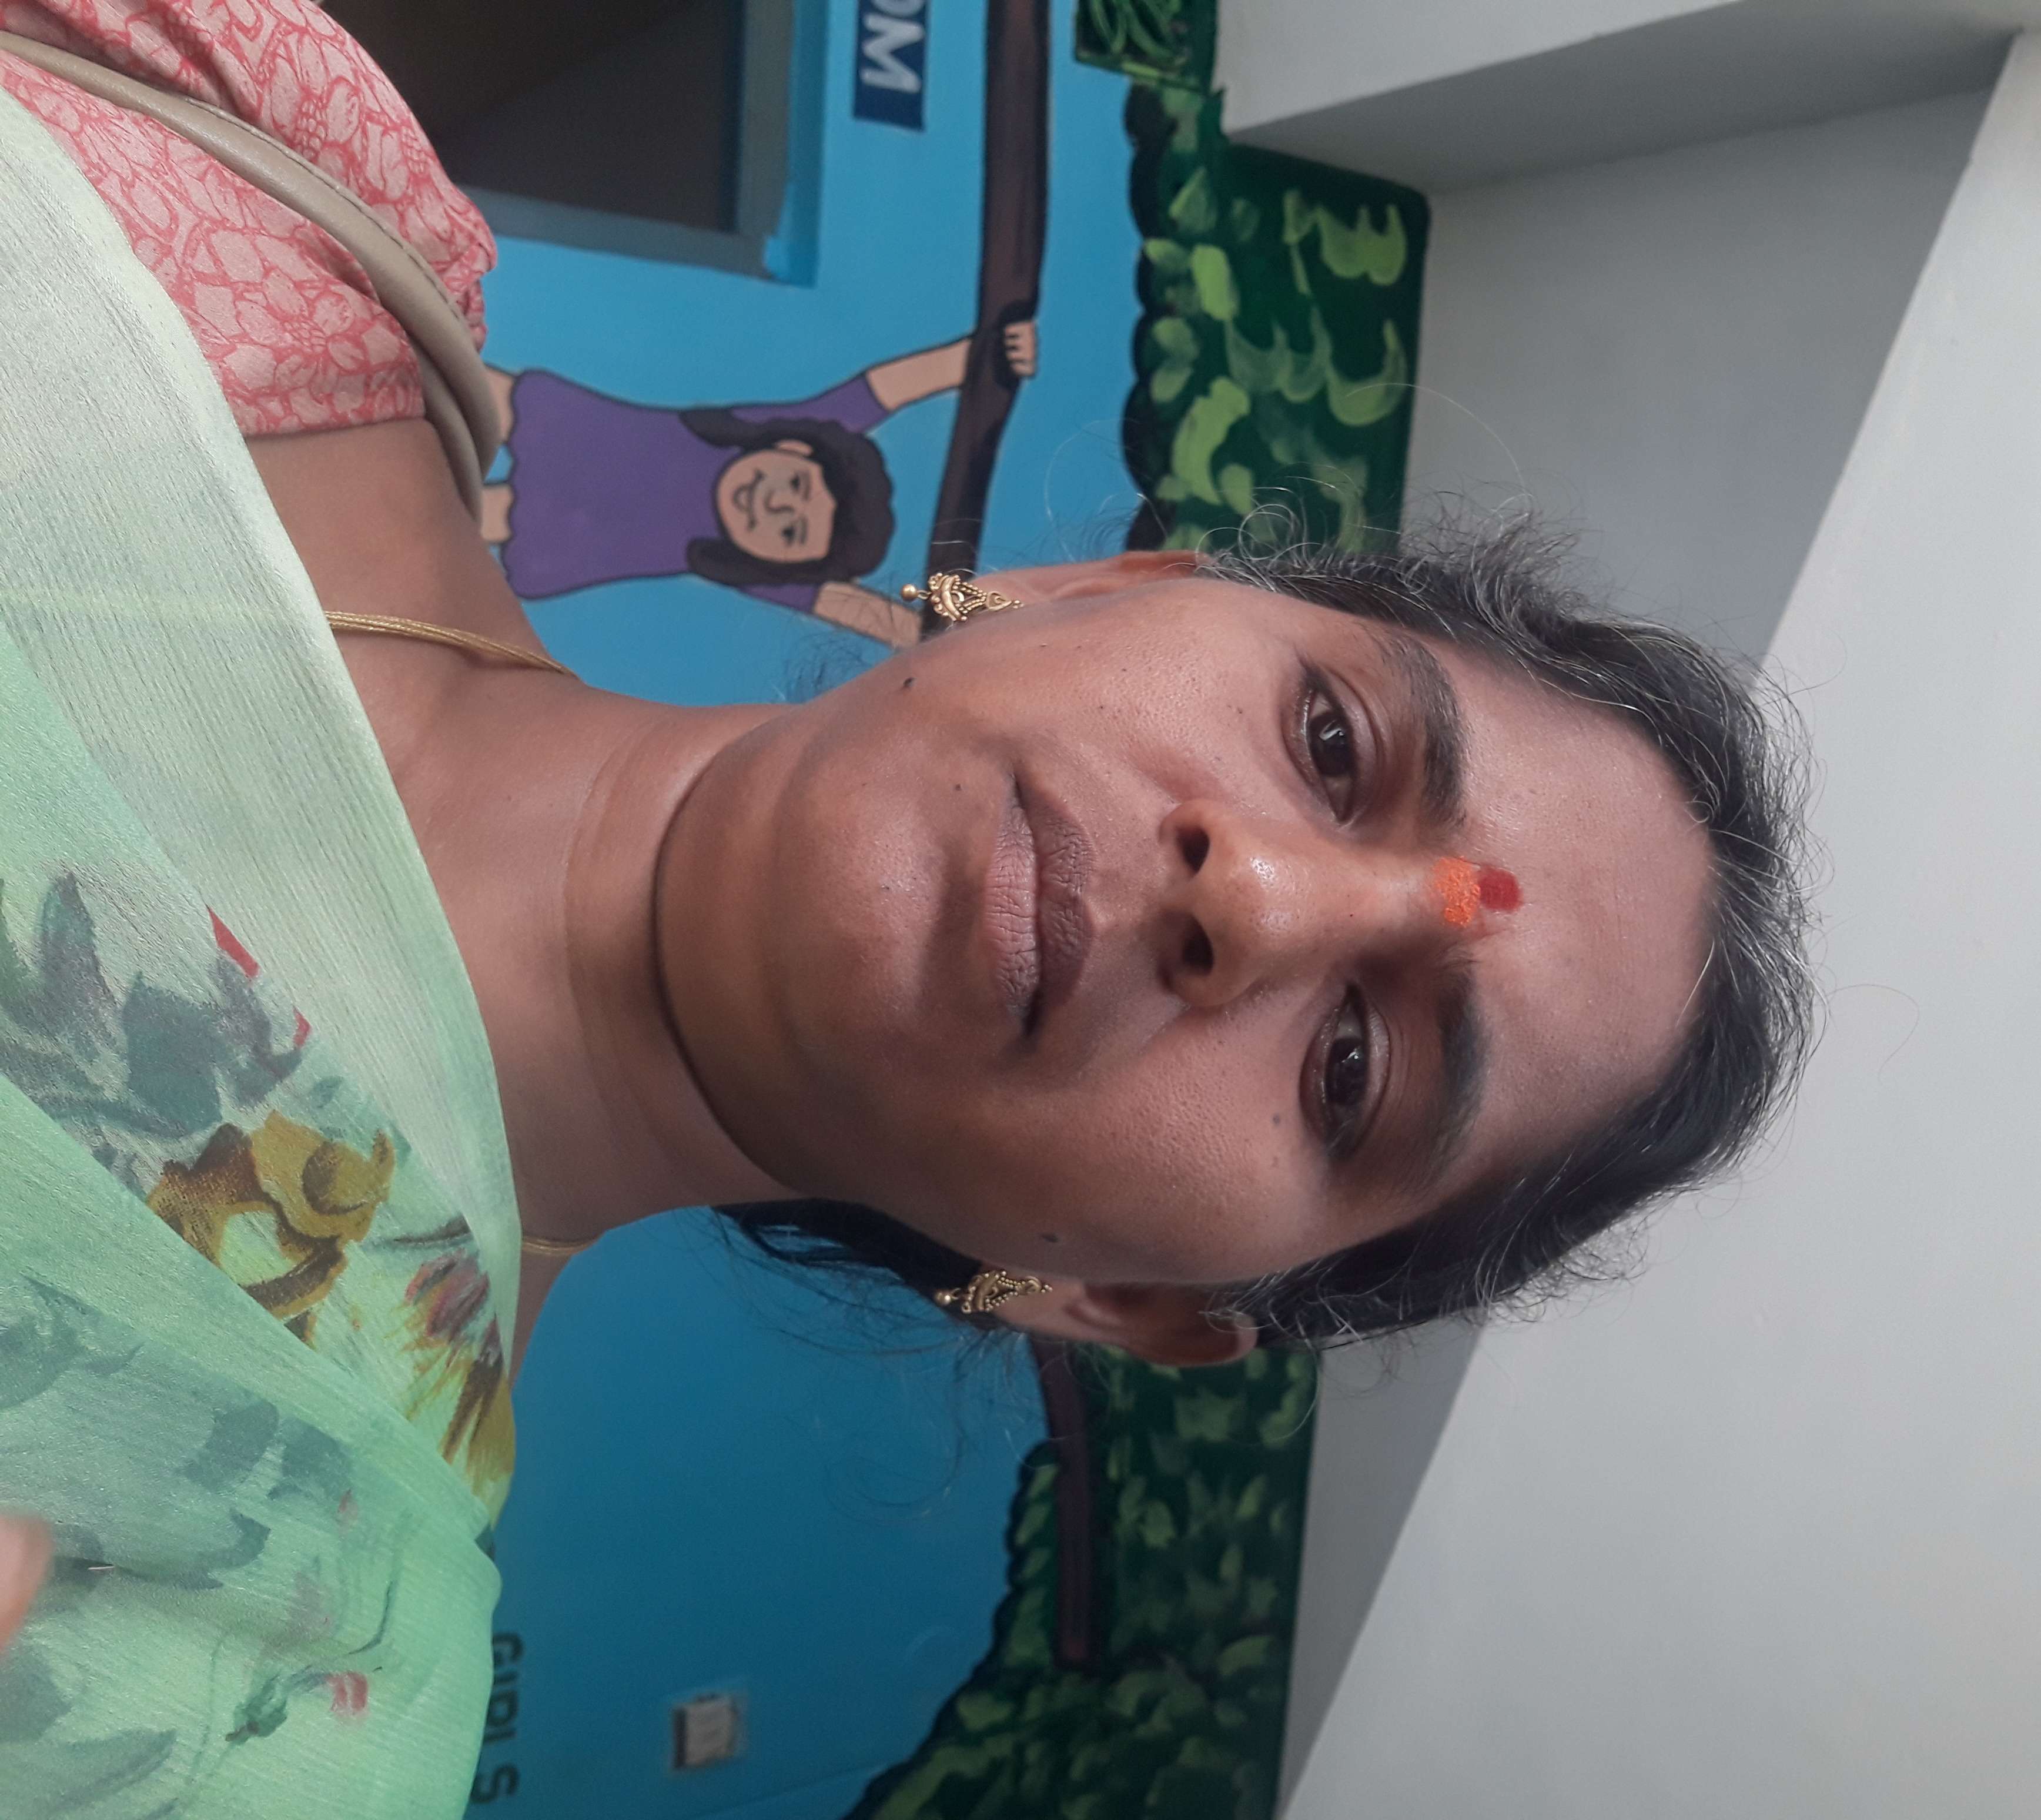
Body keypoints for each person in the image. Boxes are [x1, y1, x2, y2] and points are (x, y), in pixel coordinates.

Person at [0, 0, 1815, 1804]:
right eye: (1332, 742)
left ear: (1116, 1302)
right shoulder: (277, 170)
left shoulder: (263, 1678)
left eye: (1354, 1070)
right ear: (1085, 590)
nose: (1254, 897)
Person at [480, 322, 1042, 652]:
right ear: (794, 450)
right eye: (795, 485)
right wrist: (980, 357)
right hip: (582, 433)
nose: (774, 505)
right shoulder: (789, 428)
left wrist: (957, 641)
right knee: (482, 395)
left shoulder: (760, 572)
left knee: (475, 514)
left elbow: (862, 612)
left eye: (791, 532)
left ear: (787, 562)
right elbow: (881, 390)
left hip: (578, 536)